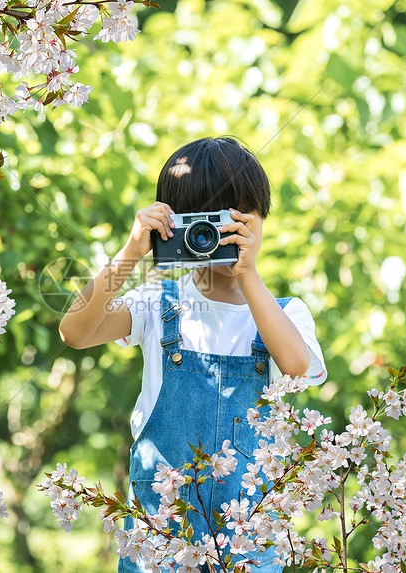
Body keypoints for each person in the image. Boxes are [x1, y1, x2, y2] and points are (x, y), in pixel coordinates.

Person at [58, 137, 327, 572]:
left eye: (232, 218)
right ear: (176, 226)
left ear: (259, 220)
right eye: (203, 222)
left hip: (250, 537)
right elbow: (74, 331)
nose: (215, 234)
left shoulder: (286, 314)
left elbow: (296, 368)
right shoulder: (157, 302)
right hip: (161, 537)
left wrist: (248, 273)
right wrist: (131, 253)